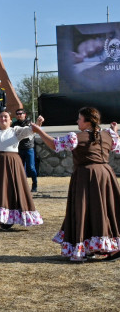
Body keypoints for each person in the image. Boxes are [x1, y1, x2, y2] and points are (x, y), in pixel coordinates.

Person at [31, 107, 120, 262]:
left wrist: (39, 131)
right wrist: (115, 130)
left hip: (86, 176)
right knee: (104, 209)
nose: (77, 121)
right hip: (105, 175)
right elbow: (116, 146)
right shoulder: (108, 134)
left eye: (79, 119)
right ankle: (101, 246)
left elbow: (55, 144)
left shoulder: (77, 137)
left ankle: (97, 247)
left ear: (87, 121)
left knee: (84, 210)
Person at [13, 109, 38, 192]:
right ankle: (23, 186)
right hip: (19, 149)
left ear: (25, 114)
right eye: (17, 114)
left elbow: (29, 132)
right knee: (21, 168)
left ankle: (34, 185)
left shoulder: (29, 123)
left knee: (31, 167)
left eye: (21, 113)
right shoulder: (14, 124)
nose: (19, 115)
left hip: (29, 148)